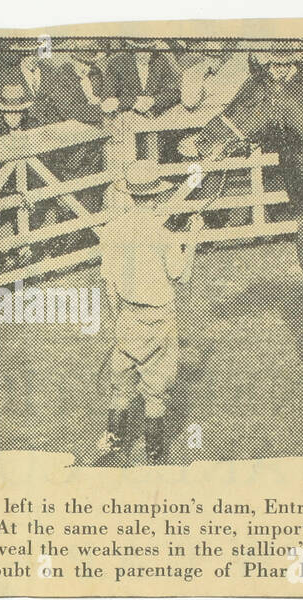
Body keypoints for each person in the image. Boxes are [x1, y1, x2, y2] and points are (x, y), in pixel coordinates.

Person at [96, 160, 201, 466]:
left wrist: (120, 322)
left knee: (120, 390)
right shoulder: (164, 234)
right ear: (157, 195)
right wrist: (193, 236)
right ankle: (155, 459)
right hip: (160, 319)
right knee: (155, 395)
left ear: (129, 194)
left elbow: (109, 284)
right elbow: (182, 275)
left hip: (127, 318)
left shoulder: (112, 231)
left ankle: (113, 450)